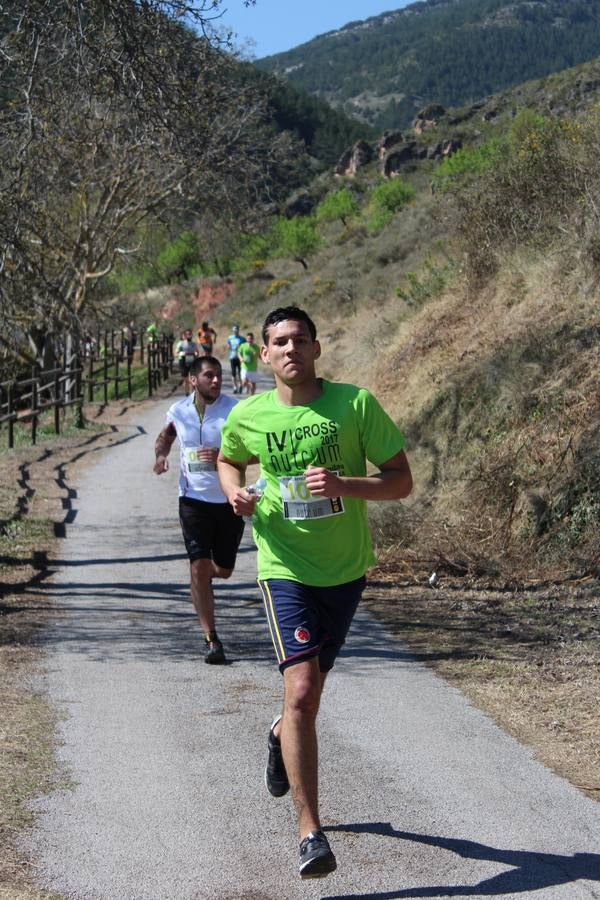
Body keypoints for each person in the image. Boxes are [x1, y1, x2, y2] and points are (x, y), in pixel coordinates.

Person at [217, 305, 412, 879]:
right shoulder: (251, 414)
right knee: (300, 689)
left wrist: (347, 484)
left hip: (345, 568)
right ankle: (311, 833)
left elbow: (401, 480)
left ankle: (279, 734)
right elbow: (230, 461)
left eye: (299, 339)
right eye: (278, 342)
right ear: (264, 355)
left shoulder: (354, 405)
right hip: (283, 565)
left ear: (317, 348)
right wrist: (236, 495)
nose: (290, 350)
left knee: (308, 697)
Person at [153, 356, 244, 664]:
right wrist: (161, 457)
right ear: (193, 380)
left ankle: (205, 578)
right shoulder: (178, 411)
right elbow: (165, 437)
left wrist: (223, 455)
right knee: (198, 566)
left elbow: (255, 452)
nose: (216, 380)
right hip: (192, 501)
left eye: (218, 375)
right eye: (209, 376)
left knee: (226, 570)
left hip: (227, 500)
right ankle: (211, 640)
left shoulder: (235, 410)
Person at [238, 331, 260, 395]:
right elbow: (239, 353)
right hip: (245, 367)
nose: (250, 340)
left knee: (254, 384)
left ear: (253, 339)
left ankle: (252, 397)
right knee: (244, 382)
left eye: (251, 338)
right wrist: (241, 358)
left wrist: (257, 355)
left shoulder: (256, 347)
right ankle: (248, 386)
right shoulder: (243, 346)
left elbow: (260, 356)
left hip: (253, 368)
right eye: (248, 338)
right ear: (246, 339)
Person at [226, 324, 246, 394]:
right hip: (232, 356)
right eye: (234, 330)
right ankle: (234, 387)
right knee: (233, 372)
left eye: (236, 330)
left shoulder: (242, 339)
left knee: (240, 372)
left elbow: (245, 347)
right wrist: (229, 347)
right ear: (233, 330)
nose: (235, 331)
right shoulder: (230, 338)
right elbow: (228, 345)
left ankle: (240, 385)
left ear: (238, 330)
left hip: (240, 358)